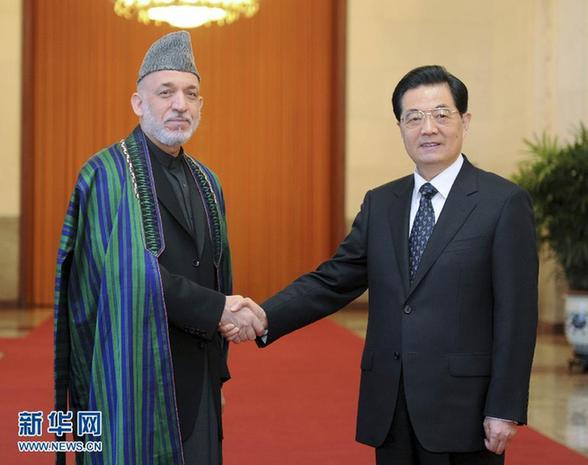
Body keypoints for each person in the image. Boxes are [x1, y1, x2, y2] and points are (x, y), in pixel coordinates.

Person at [223, 65, 538, 465]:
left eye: (442, 115)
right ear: (401, 126)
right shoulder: (382, 202)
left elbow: (518, 315)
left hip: (464, 409)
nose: (428, 128)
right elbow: (334, 280)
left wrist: (505, 407)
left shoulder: (502, 202)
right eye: (414, 117)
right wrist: (264, 315)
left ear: (465, 120)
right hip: (390, 406)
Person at [54, 31, 264, 465]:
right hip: (130, 376)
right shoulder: (106, 175)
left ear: (201, 105)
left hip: (198, 381)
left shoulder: (208, 181)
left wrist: (217, 376)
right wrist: (218, 309)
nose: (180, 104)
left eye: (191, 93)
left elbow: (218, 272)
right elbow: (125, 275)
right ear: (138, 102)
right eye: (165, 92)